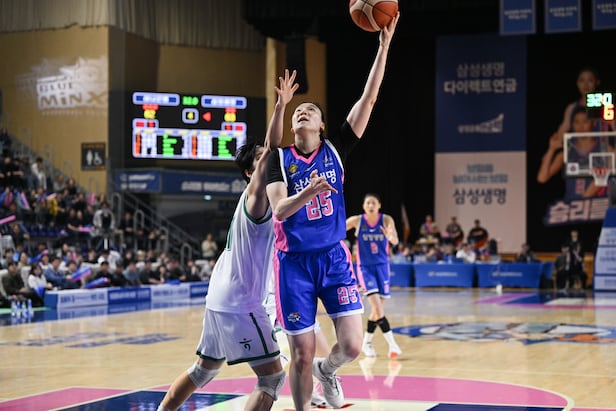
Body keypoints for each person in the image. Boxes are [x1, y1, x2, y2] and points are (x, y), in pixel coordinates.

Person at [265, 14, 399, 411]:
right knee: (301, 354)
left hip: (334, 258)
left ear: (323, 126)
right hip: (293, 263)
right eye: (298, 111)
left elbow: (369, 97)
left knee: (353, 345)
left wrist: (383, 47)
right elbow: (278, 209)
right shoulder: (279, 160)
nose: (302, 112)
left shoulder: (336, 149)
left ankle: (329, 372)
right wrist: (308, 191)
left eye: (310, 110)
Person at [156, 68, 296, 411]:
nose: (269, 160)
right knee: (272, 379)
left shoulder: (262, 198)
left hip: (219, 297)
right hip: (240, 302)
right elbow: (272, 148)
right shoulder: (256, 195)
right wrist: (281, 106)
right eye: (261, 159)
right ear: (251, 172)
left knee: (202, 371)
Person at [346, 193, 402, 359]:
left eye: (373, 203)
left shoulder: (386, 220)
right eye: (368, 203)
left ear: (379, 205)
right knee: (377, 308)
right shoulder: (357, 220)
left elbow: (395, 240)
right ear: (364, 206)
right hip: (365, 269)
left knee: (378, 310)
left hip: (383, 268)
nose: (370, 205)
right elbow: (335, 230)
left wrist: (390, 237)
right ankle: (392, 344)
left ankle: (367, 343)